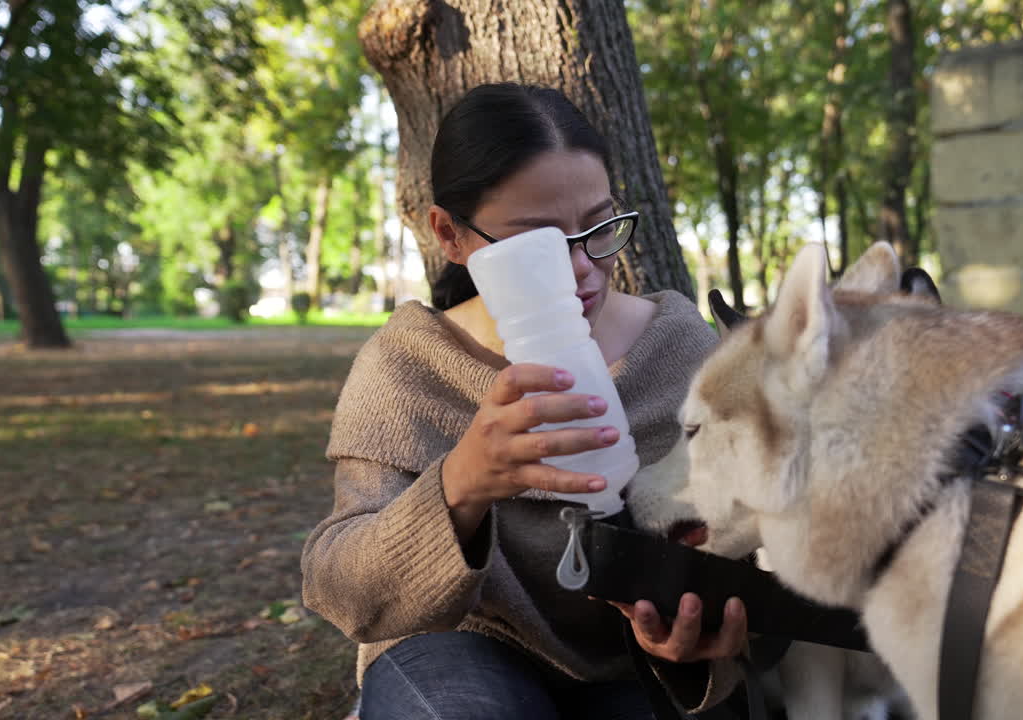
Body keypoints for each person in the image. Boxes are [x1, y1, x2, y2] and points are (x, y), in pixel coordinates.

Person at [301, 82, 748, 720]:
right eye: (535, 244)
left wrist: (703, 636)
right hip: (464, 648)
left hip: (636, 666)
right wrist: (461, 484)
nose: (580, 269)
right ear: (449, 235)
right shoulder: (410, 366)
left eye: (598, 227)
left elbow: (761, 542)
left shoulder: (680, 349)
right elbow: (342, 588)